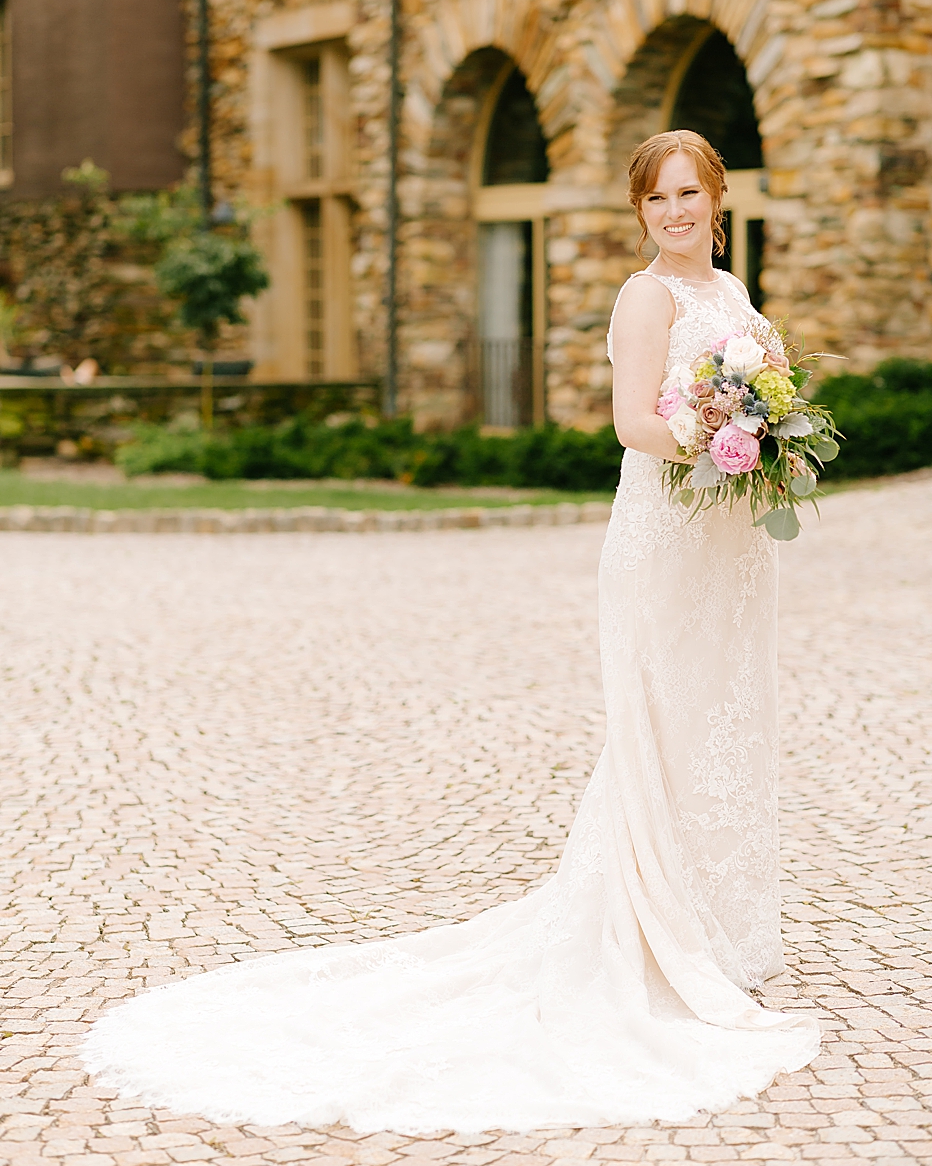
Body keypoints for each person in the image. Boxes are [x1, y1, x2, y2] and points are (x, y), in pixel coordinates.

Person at [81, 130, 819, 1130]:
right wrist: (719, 435)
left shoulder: (730, 296)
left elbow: (760, 385)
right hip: (664, 542)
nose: (676, 212)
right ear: (639, 212)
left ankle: (715, 930)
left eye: (690, 193)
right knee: (662, 728)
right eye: (658, 199)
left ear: (718, 196)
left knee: (720, 725)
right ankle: (650, 933)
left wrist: (767, 431)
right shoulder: (646, 298)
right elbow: (630, 425)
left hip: (729, 548)